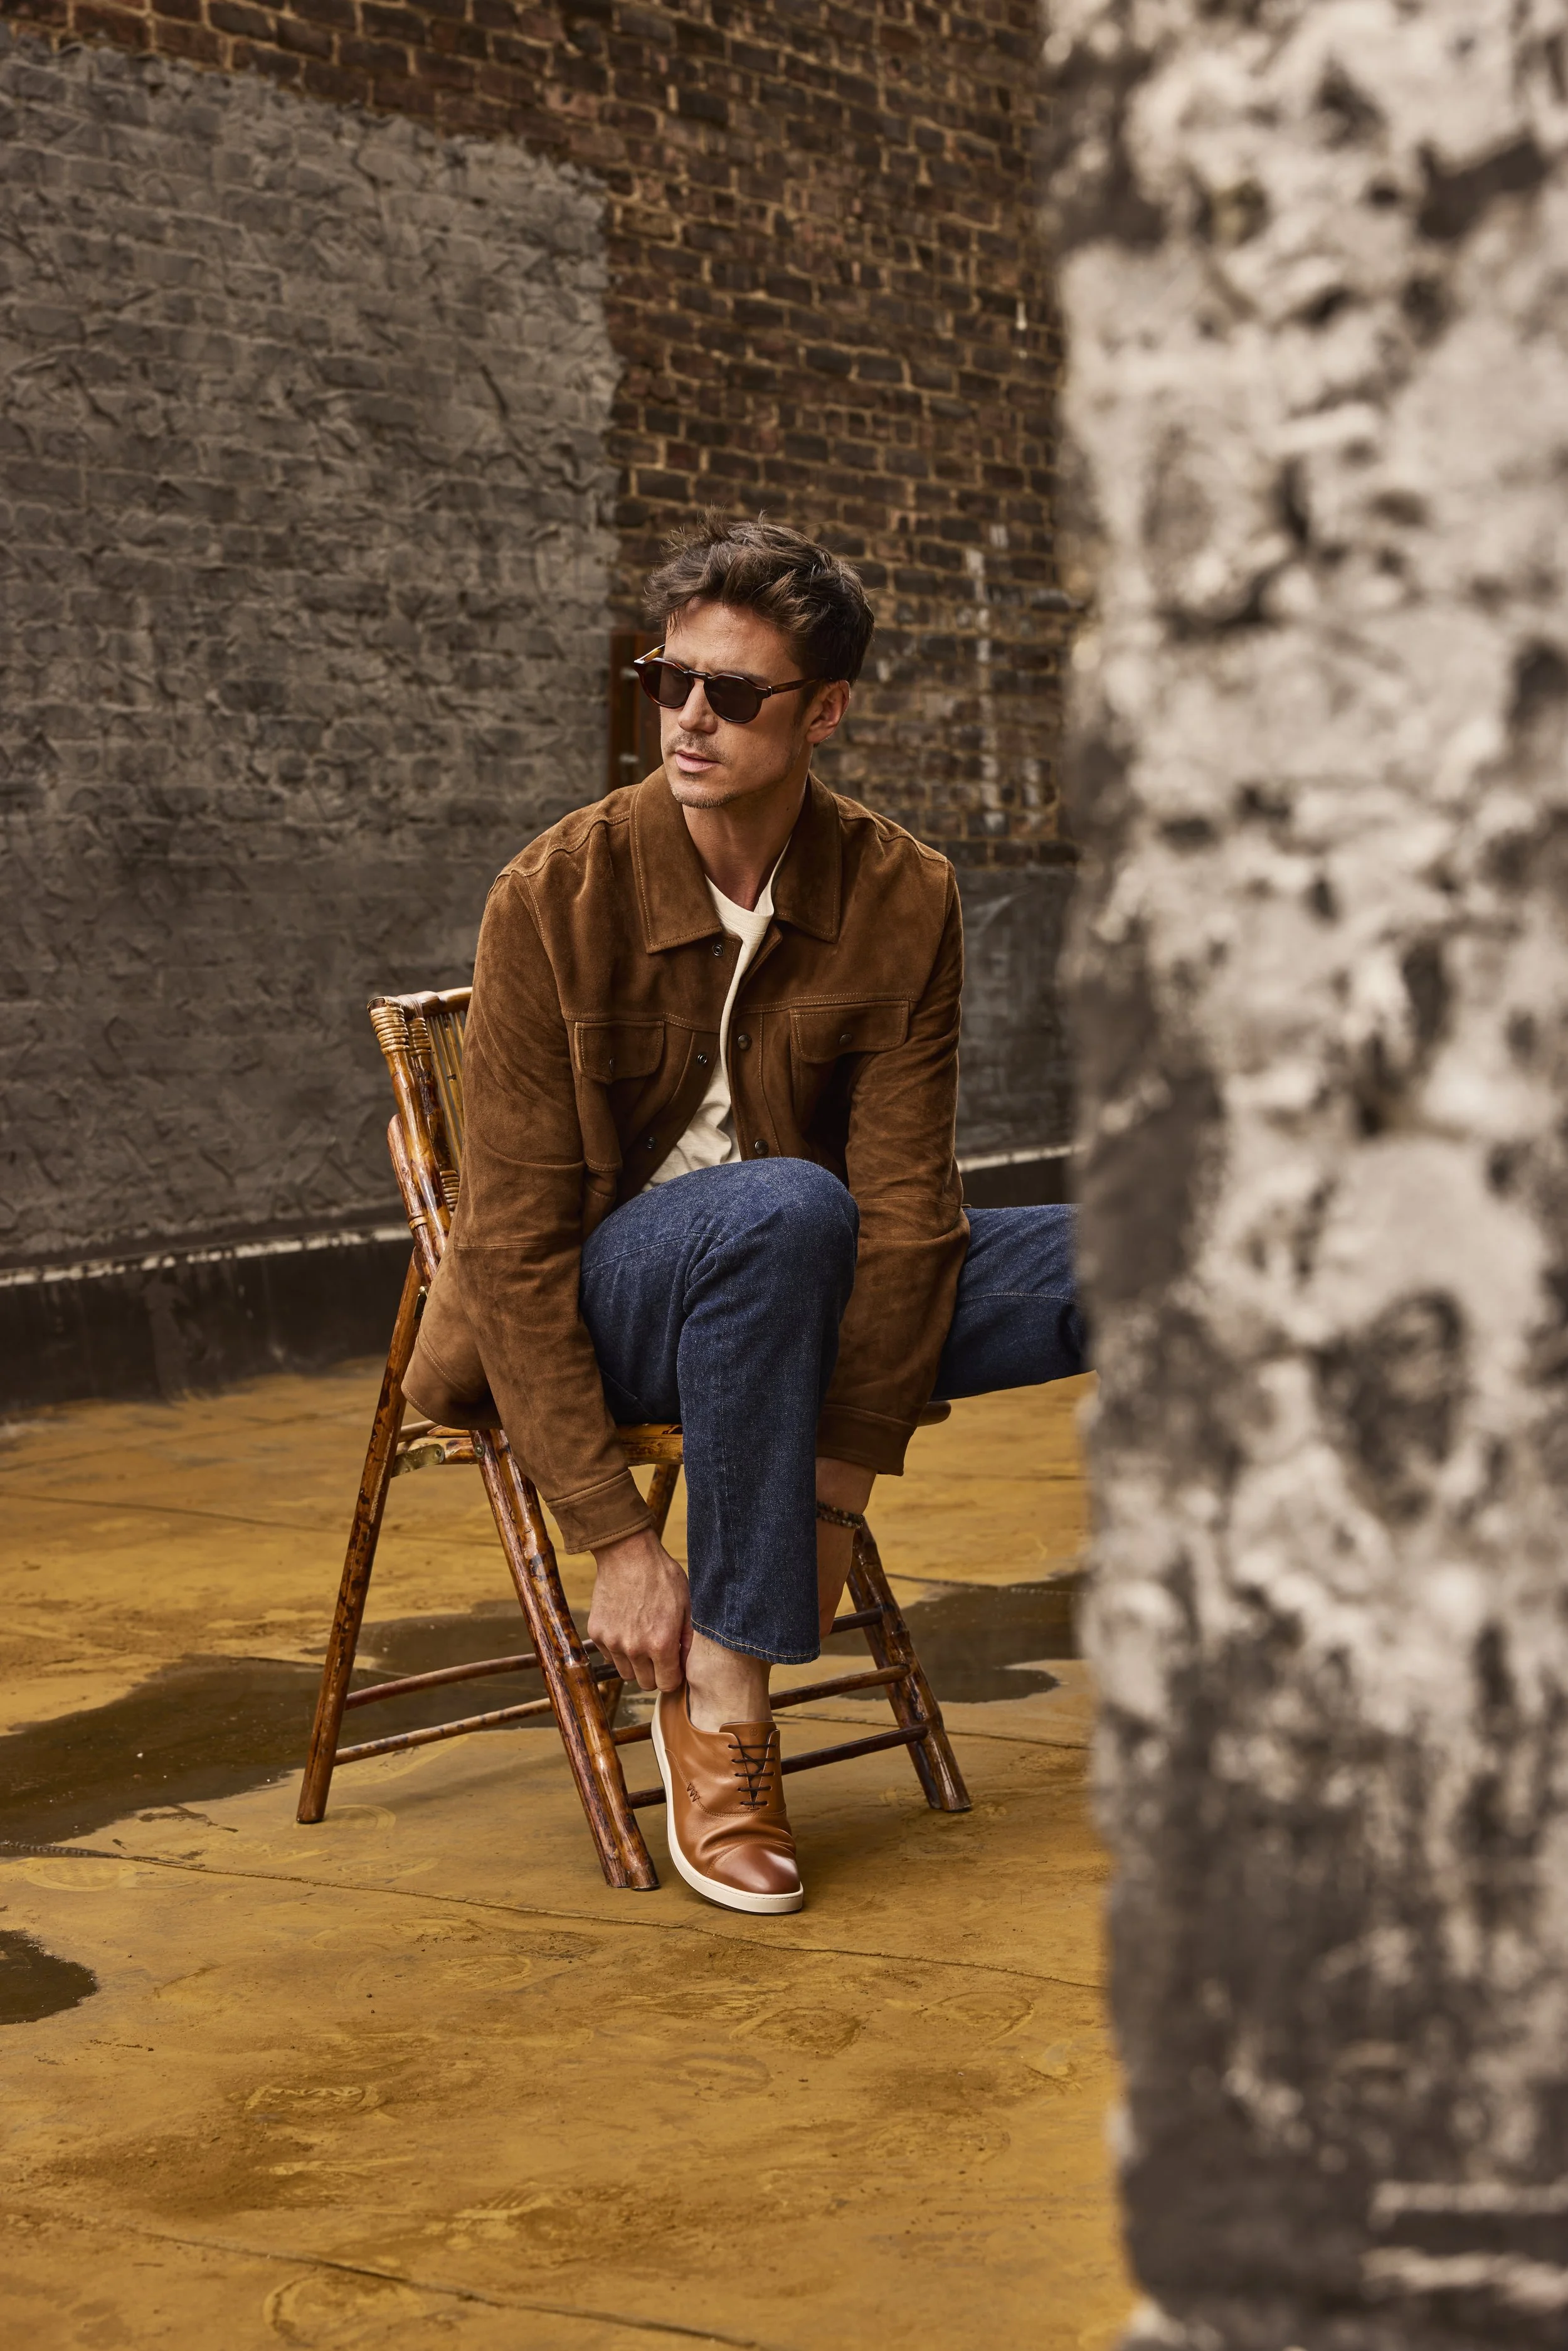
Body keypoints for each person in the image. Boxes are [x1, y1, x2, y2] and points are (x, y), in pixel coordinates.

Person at [403, 513, 1086, 1915]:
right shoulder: (554, 893)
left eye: (734, 692)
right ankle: (725, 1698)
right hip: (617, 1302)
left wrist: (837, 1476)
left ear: (823, 710)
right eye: (668, 681)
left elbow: (906, 1206)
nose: (688, 719)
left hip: (808, 1283)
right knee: (783, 1207)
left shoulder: (902, 892)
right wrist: (615, 1535)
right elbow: (517, 1247)